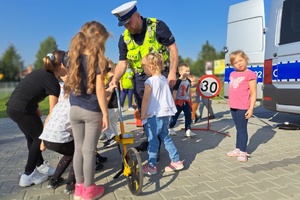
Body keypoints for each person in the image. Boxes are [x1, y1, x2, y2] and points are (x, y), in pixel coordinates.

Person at [111, 0, 178, 151]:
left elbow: (172, 48)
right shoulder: (125, 38)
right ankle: (150, 139)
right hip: (140, 78)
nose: (128, 27)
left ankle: (157, 147)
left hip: (160, 74)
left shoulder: (157, 26)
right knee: (144, 111)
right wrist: (115, 79)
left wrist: (173, 72)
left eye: (129, 22)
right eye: (124, 24)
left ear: (137, 15)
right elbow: (122, 63)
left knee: (158, 111)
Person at [6, 50, 67, 187]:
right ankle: (28, 175)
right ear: (61, 66)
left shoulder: (41, 73)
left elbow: (28, 90)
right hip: (23, 109)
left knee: (31, 138)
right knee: (38, 138)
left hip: (13, 108)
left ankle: (39, 166)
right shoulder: (53, 83)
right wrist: (48, 134)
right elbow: (53, 112)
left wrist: (35, 108)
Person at [63, 21, 110, 200]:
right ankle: (90, 190)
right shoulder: (97, 60)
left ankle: (79, 188)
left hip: (74, 109)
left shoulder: (70, 57)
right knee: (89, 151)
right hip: (91, 111)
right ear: (98, 38)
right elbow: (99, 90)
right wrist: (105, 113)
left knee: (79, 149)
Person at [141, 53, 183, 175]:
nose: (144, 70)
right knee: (165, 137)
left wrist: (143, 114)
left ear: (151, 66)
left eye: (144, 67)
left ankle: (151, 166)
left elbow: (145, 99)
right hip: (165, 115)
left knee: (153, 140)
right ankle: (176, 161)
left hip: (153, 115)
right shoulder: (164, 79)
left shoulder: (150, 81)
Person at [39, 75, 76, 193]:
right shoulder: (75, 104)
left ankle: (54, 180)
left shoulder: (61, 102)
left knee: (68, 154)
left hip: (47, 138)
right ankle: (71, 183)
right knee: (77, 153)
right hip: (59, 139)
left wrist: (42, 142)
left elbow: (48, 119)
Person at [226, 50, 257, 162]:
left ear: (246, 59)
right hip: (233, 106)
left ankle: (243, 151)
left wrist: (251, 108)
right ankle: (238, 149)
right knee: (238, 128)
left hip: (243, 106)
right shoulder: (232, 74)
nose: (239, 63)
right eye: (235, 62)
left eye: (241, 60)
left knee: (242, 129)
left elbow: (253, 93)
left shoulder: (250, 74)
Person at [168, 64, 196, 138]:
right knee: (175, 116)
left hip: (186, 101)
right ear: (180, 72)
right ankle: (170, 128)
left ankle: (188, 130)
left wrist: (191, 100)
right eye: (186, 71)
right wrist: (173, 102)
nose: (188, 72)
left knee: (188, 115)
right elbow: (174, 92)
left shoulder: (188, 81)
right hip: (178, 101)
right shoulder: (178, 81)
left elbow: (189, 90)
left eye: (189, 71)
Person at [102, 59, 120, 148]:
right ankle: (115, 138)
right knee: (113, 123)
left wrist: (103, 105)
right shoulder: (114, 78)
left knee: (104, 122)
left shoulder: (110, 80)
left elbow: (109, 95)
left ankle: (111, 137)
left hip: (111, 106)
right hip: (116, 106)